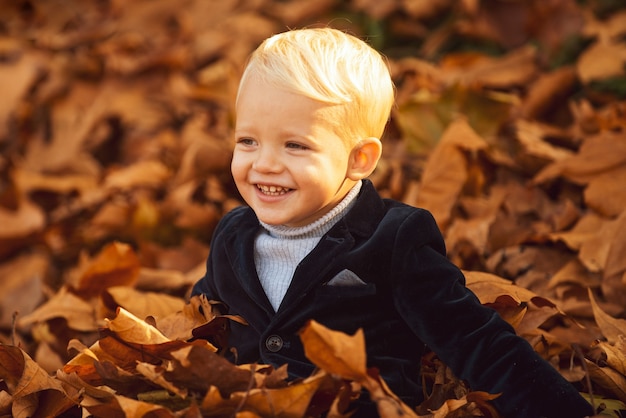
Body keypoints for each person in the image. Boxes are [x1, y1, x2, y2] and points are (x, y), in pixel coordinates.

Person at [191, 27, 594, 417]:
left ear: (359, 159)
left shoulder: (393, 240)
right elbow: (203, 320)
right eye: (247, 141)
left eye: (295, 145)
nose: (263, 164)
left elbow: (474, 339)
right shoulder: (233, 236)